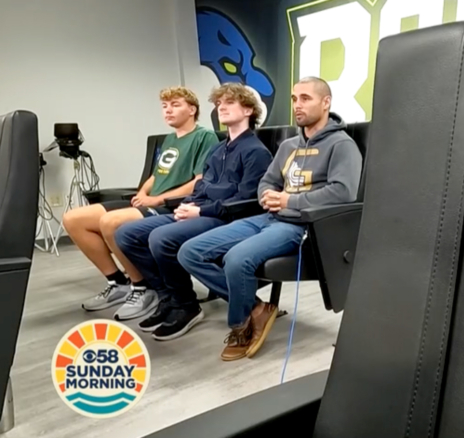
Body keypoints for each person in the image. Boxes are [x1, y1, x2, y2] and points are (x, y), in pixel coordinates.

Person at [178, 76, 363, 361]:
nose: (297, 105)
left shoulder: (342, 145)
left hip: (303, 226)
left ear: (326, 102)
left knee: (237, 259)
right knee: (190, 252)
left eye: (305, 98)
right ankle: (256, 308)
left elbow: (343, 193)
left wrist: (290, 200)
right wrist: (268, 195)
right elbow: (267, 181)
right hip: (269, 217)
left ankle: (239, 325)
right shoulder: (289, 146)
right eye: (293, 98)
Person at [114, 83, 273, 340]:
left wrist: (199, 210)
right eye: (218, 103)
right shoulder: (218, 149)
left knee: (161, 238)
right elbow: (202, 185)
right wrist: (188, 205)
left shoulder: (256, 152)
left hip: (227, 219)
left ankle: (186, 304)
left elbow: (246, 201)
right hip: (202, 211)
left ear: (248, 110)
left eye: (228, 102)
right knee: (126, 234)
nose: (220, 107)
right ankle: (169, 297)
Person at [62, 86, 219, 319]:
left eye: (175, 105)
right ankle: (118, 282)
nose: (168, 110)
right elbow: (158, 174)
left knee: (110, 222)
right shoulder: (170, 139)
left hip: (172, 204)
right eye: (164, 106)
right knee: (73, 219)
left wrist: (156, 198)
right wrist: (143, 191)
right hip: (150, 201)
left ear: (192, 109)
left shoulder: (204, 136)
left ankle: (142, 287)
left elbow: (200, 181)